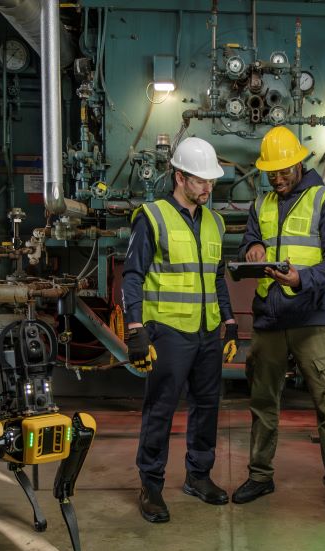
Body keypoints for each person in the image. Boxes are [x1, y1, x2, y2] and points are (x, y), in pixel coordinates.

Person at [232, 126, 325, 521]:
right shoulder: (261, 204)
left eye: (284, 171)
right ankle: (260, 475)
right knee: (264, 402)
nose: (279, 179)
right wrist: (251, 247)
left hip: (311, 318)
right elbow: (251, 239)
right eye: (272, 173)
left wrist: (303, 279)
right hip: (269, 318)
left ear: (300, 162)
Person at [121, 137, 239, 523]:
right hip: (168, 332)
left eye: (211, 182)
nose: (208, 188)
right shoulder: (151, 216)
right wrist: (135, 326)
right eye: (201, 181)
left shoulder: (215, 222)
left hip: (207, 334)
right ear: (179, 176)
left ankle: (198, 476)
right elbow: (133, 276)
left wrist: (230, 321)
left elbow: (217, 278)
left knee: (207, 407)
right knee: (161, 409)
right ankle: (151, 485)